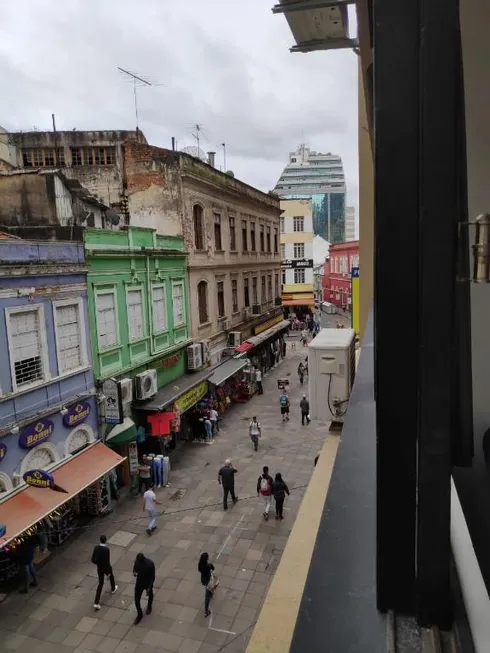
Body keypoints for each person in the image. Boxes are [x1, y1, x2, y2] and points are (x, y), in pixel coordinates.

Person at [92, 535, 117, 610]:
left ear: (100, 540)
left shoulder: (96, 548)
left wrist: (98, 563)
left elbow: (92, 560)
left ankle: (96, 602)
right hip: (105, 568)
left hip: (99, 568)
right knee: (111, 576)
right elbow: (107, 561)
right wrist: (108, 572)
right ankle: (113, 588)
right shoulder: (106, 550)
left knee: (100, 584)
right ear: (105, 540)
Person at [133, 553, 155, 625]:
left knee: (150, 595)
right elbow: (134, 568)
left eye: (138, 561)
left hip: (147, 583)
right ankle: (140, 614)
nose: (137, 562)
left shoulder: (150, 564)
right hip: (139, 583)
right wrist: (134, 572)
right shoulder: (137, 562)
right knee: (136, 599)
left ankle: (149, 607)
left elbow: (152, 577)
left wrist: (149, 587)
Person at [198, 552, 216, 617]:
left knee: (208, 589)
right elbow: (213, 568)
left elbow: (199, 570)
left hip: (203, 580)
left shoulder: (200, 564)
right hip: (208, 581)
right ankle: (206, 611)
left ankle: (210, 593)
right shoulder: (208, 565)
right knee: (207, 596)